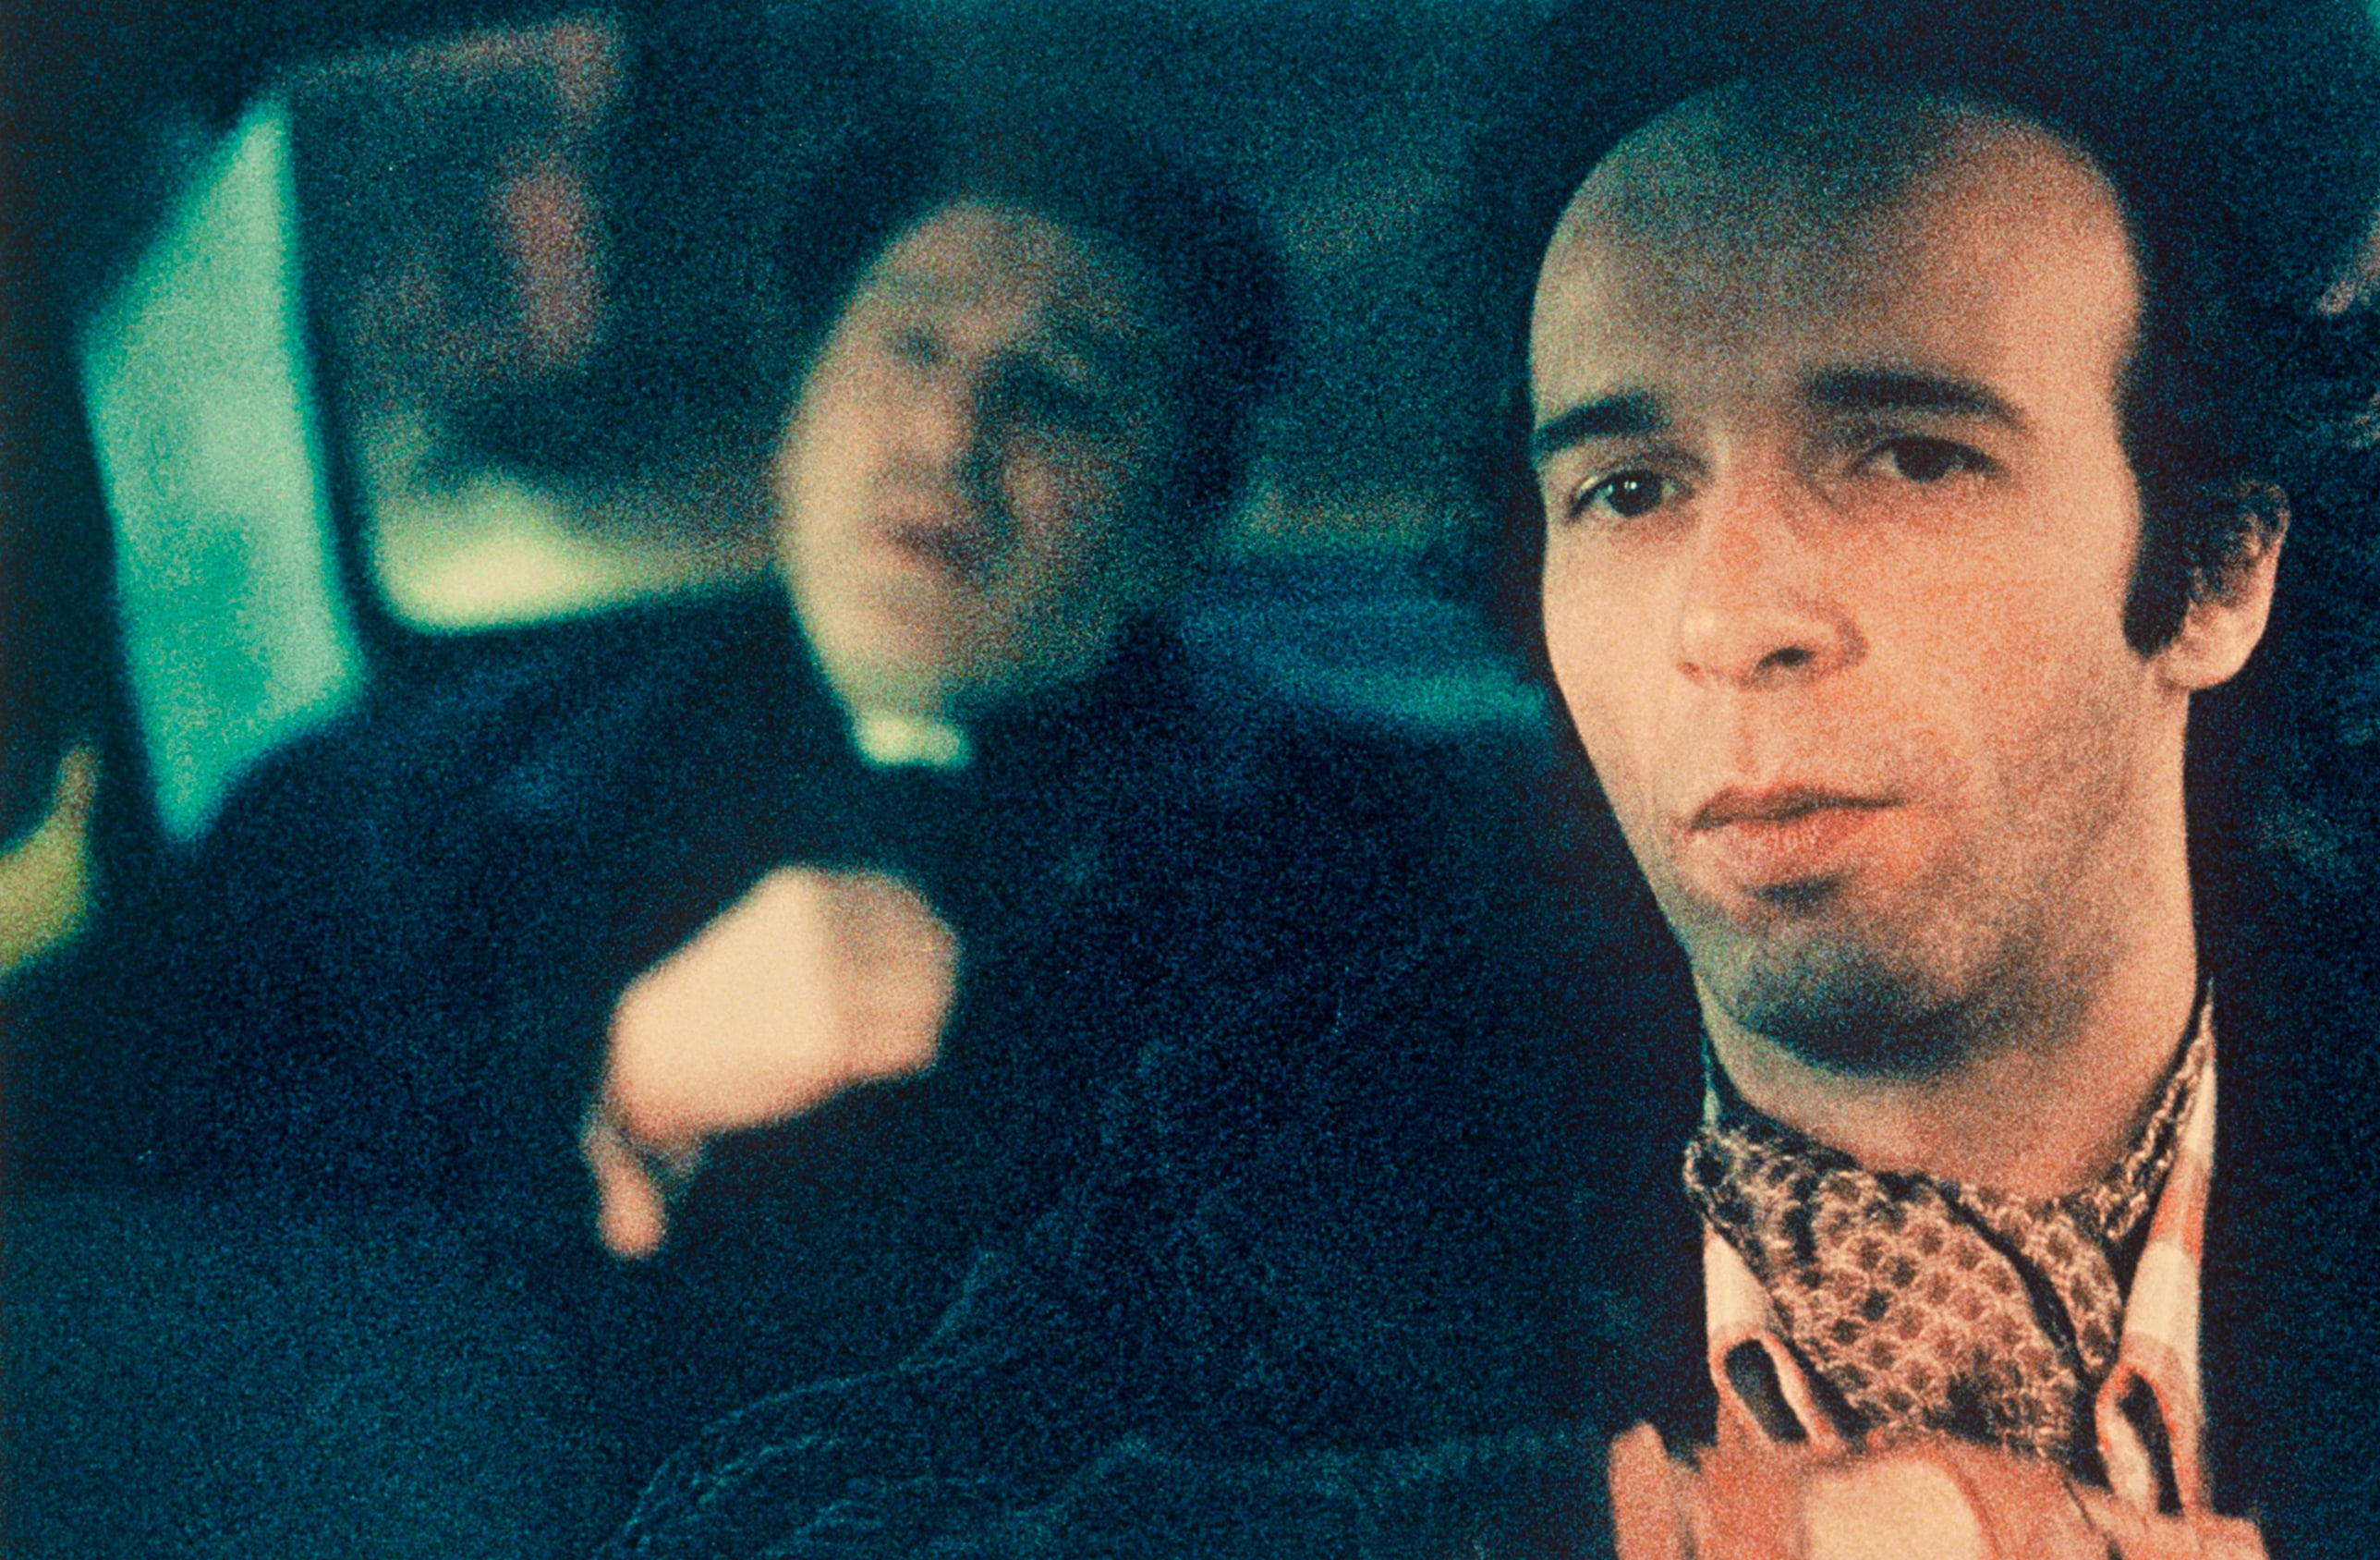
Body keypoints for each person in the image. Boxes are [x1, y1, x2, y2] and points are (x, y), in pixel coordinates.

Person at [603, 5, 2380, 1558]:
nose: (1732, 612)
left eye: (1902, 455)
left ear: (2208, 568)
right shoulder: (1280, 1191)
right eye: (1630, 488)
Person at [44, 97, 1453, 1524]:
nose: (952, 432)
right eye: (910, 343)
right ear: (796, 410)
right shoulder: (394, 815)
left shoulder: (1368, 878)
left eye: (1064, 386)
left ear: (1182, 517)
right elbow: (190, 1284)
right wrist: (609, 1097)